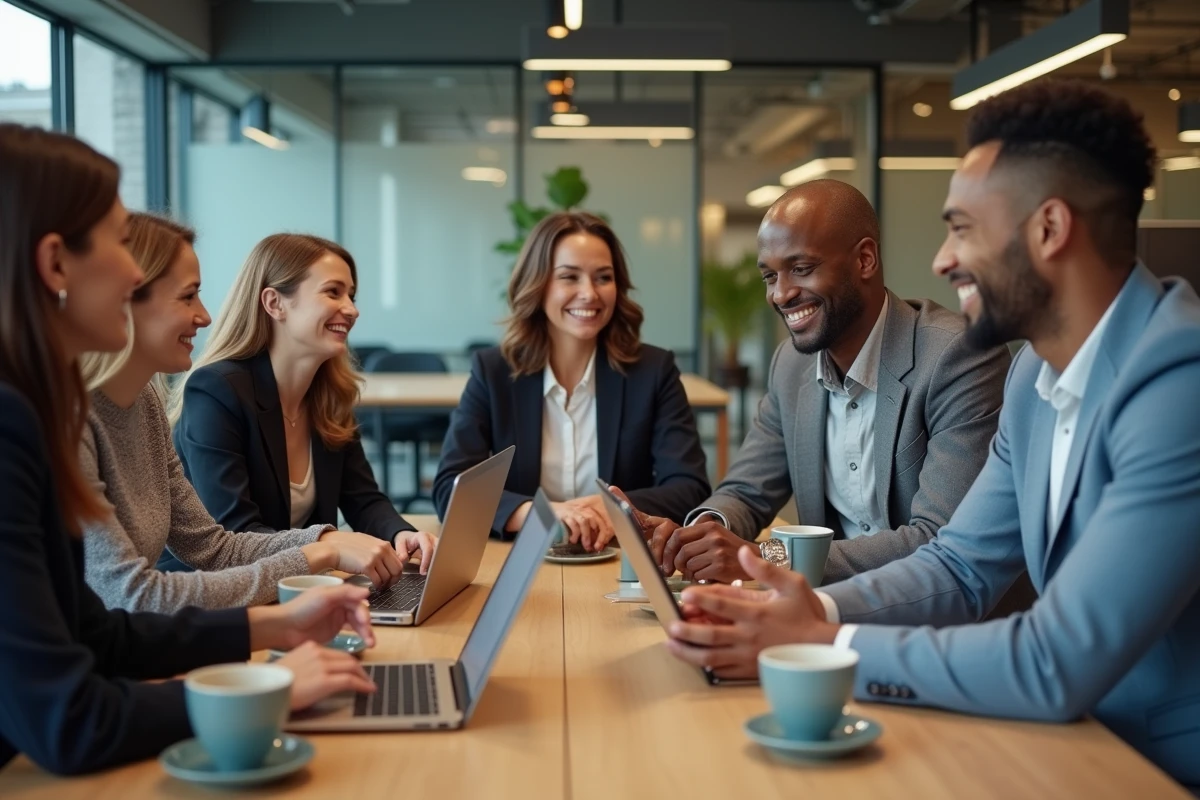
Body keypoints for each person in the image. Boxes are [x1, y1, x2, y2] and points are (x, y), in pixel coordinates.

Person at [664, 80, 1200, 789]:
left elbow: (1054, 660)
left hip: (1157, 761)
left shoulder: (1179, 384)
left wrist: (827, 640)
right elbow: (959, 566)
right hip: (1069, 734)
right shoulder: (1034, 376)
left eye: (963, 227)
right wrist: (804, 607)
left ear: (1048, 229)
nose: (943, 260)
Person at [0, 123, 377, 776]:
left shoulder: (57, 409)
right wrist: (269, 688)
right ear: (56, 263)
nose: (131, 269)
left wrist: (276, 627)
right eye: (120, 242)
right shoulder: (16, 426)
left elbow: (96, 633)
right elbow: (71, 721)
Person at [631, 179, 1010, 584]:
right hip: (824, 611)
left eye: (801, 269)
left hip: (933, 625)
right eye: (769, 277)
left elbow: (937, 540)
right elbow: (745, 490)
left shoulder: (957, 356)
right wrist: (700, 535)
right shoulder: (791, 365)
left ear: (865, 260)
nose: (780, 294)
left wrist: (766, 557)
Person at [79, 214, 419, 613]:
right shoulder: (66, 422)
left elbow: (213, 546)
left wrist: (329, 543)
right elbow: (134, 595)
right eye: (189, 296)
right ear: (124, 298)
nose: (204, 316)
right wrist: (320, 552)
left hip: (154, 636)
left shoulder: (145, 404)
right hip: (145, 637)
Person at [434, 211, 710, 548]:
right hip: (523, 557)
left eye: (603, 277)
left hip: (618, 560)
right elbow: (451, 487)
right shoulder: (494, 371)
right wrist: (540, 514)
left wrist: (616, 508)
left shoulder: (653, 371)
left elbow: (689, 487)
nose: (589, 293)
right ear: (538, 284)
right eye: (569, 277)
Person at [170, 233, 436, 577]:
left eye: (351, 296)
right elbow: (235, 533)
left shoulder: (328, 394)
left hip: (299, 585)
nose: (352, 310)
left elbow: (364, 499)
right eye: (333, 292)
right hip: (213, 597)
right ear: (274, 303)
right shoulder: (216, 392)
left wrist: (403, 535)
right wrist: (331, 544)